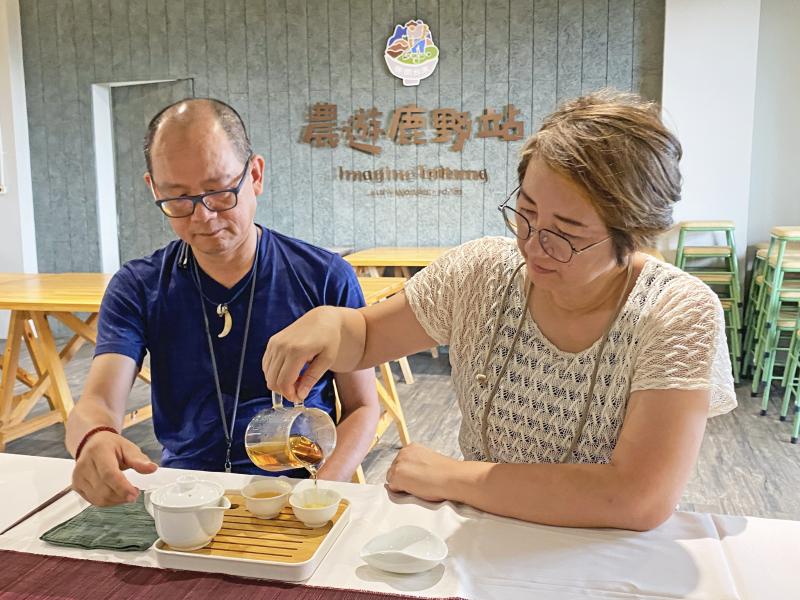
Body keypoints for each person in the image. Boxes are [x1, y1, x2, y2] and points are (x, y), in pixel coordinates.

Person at [263, 90, 737, 531]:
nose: (533, 245)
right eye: (526, 213)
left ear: (632, 233)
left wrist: (452, 477)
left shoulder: (677, 313)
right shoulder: (482, 272)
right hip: (484, 539)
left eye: (566, 233)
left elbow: (637, 498)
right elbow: (367, 337)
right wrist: (331, 322)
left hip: (602, 555)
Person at [66, 98, 379, 506]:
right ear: (153, 189)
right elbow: (98, 401)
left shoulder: (323, 276)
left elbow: (362, 406)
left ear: (255, 175)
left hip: (300, 484)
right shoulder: (138, 286)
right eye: (178, 199)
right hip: (186, 489)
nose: (204, 216)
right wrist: (94, 436)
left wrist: (322, 489)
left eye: (218, 192)